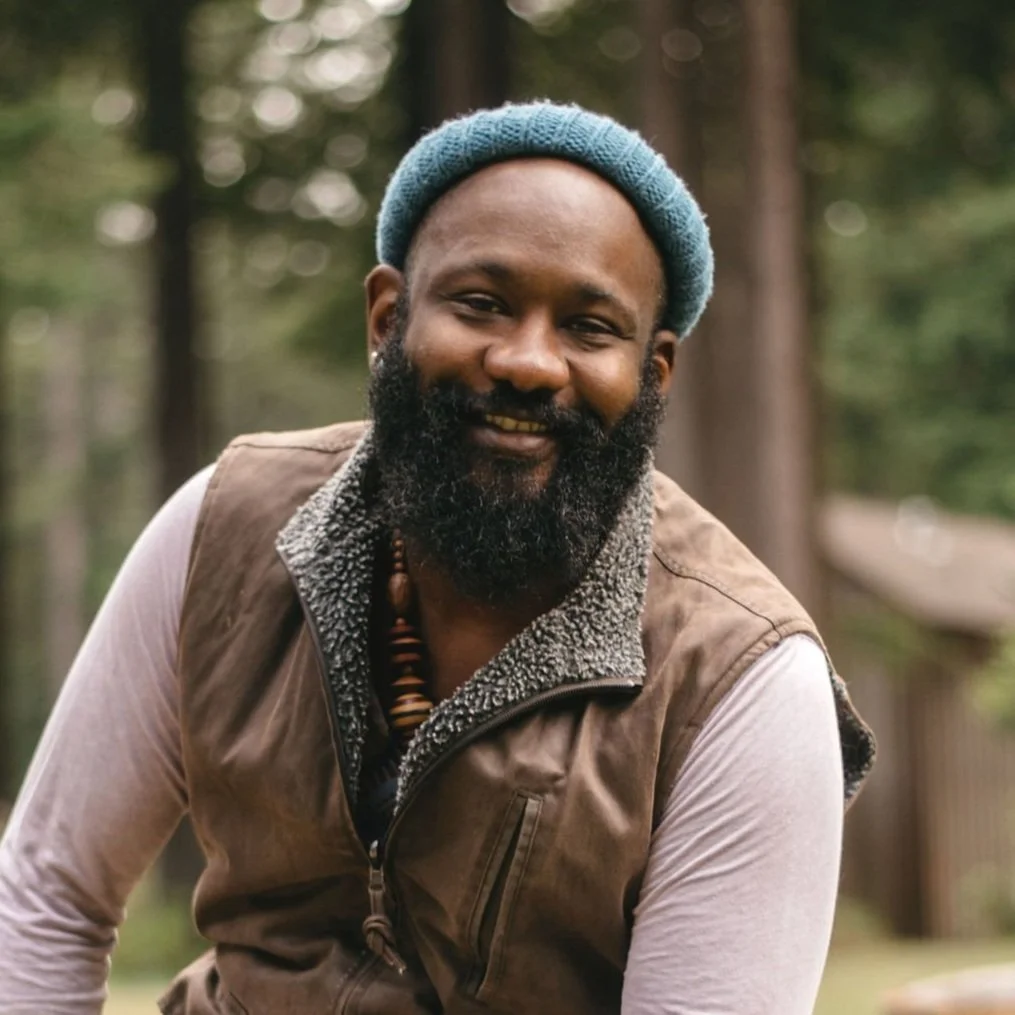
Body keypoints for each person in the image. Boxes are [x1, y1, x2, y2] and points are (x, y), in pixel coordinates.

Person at [0, 101, 874, 1015]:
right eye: (482, 303)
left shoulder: (740, 678)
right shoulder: (219, 531)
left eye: (589, 326)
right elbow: (48, 892)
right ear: (388, 317)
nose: (529, 362)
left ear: (651, 374)